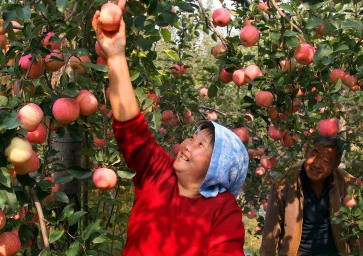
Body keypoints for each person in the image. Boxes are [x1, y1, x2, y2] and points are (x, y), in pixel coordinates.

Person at [92, 10, 249, 256]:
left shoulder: (222, 209)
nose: (188, 144)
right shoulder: (159, 174)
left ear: (218, 168)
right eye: (192, 138)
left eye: (201, 146)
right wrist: (115, 56)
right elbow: (131, 128)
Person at [260, 136, 363, 256]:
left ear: (336, 165)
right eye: (314, 155)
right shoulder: (285, 182)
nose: (317, 164)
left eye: (326, 161)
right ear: (306, 152)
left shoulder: (347, 184)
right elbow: (271, 230)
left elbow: (355, 230)